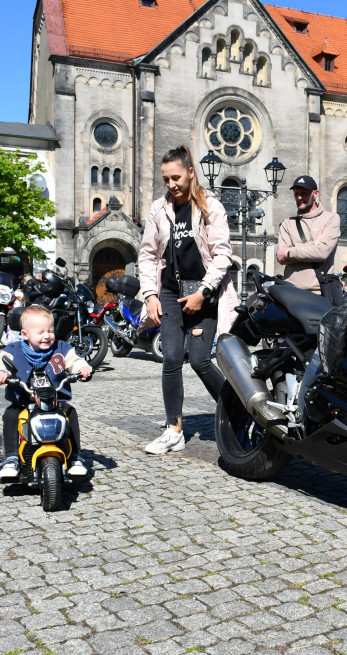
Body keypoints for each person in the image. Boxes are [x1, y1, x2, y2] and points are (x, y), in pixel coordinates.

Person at [138, 145, 238, 455]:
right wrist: (150, 295)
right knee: (170, 359)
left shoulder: (211, 207)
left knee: (198, 359)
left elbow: (223, 255)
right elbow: (148, 253)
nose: (171, 185)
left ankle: (239, 411)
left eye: (176, 178)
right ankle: (174, 431)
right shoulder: (159, 209)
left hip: (203, 291)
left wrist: (203, 292)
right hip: (169, 291)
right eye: (166, 179)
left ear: (191, 172)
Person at [0, 305, 92, 480]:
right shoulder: (14, 350)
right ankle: (11, 458)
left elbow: (73, 360)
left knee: (70, 412)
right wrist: (0, 373)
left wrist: (82, 367)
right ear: (24, 334)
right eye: (40, 332)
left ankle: (75, 456)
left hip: (54, 401)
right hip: (24, 400)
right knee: (10, 415)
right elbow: (0, 363)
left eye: (50, 331)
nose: (47, 336)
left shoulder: (61, 347)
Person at [276, 175, 340, 294]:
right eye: (296, 193)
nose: (299, 197)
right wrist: (315, 244)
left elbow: (322, 252)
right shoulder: (287, 223)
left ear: (315, 194)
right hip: (290, 290)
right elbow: (282, 258)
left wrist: (291, 252)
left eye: (304, 193)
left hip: (319, 292)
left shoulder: (331, 219)